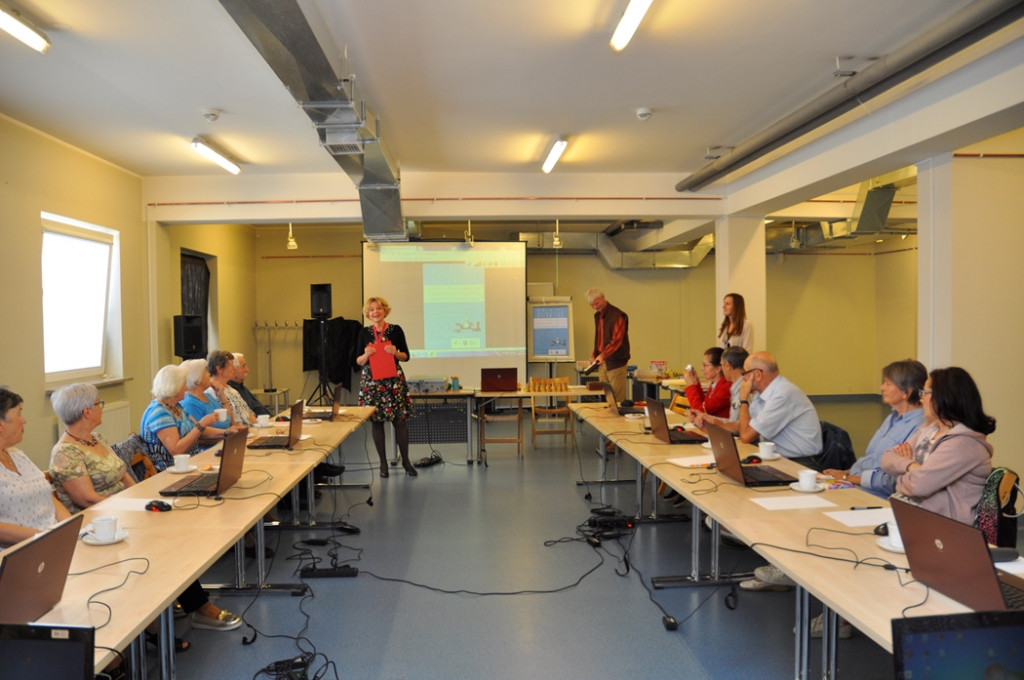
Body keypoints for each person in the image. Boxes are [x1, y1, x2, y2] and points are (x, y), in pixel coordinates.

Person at [881, 366, 995, 525]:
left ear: (943, 397)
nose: (921, 399)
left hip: (942, 527)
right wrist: (911, 465)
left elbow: (918, 486)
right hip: (908, 513)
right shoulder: (929, 429)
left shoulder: (963, 444)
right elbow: (886, 458)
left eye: (925, 393)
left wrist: (900, 473)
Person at [824, 360, 928, 498]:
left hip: (875, 495)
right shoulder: (892, 417)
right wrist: (845, 473)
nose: (882, 387)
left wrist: (846, 478)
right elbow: (871, 460)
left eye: (888, 384)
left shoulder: (918, 427)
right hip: (855, 483)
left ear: (906, 393)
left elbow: (891, 482)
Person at [0, 386, 73, 547]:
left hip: (53, 539)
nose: (24, 420)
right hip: (21, 549)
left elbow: (47, 496)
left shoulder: (18, 455)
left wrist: (70, 527)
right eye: (19, 413)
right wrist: (44, 536)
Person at [48, 383, 136, 514]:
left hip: (123, 506)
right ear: (87, 412)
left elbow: (122, 474)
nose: (101, 408)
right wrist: (128, 507)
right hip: (99, 516)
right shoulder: (65, 452)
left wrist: (138, 496)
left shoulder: (97, 438)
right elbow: (88, 500)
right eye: (99, 403)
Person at [355, 297, 416, 477]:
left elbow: (406, 356)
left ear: (385, 310)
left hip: (393, 382)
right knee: (377, 422)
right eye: (371, 309)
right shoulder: (364, 332)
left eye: (378, 308)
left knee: (399, 421)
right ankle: (383, 463)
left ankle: (406, 461)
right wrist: (365, 355)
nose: (375, 312)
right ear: (368, 314)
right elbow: (358, 361)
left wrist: (395, 352)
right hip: (372, 383)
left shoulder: (395, 330)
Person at [735, 351, 822, 463]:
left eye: (745, 373)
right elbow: (744, 426)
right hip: (779, 458)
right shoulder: (763, 394)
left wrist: (743, 399)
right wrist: (716, 424)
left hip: (801, 463)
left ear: (757, 375)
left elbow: (746, 436)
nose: (743, 379)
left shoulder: (781, 395)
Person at [140, 364, 222, 471]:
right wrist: (202, 424)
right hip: (170, 470)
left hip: (189, 463)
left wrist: (227, 432)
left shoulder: (176, 406)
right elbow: (177, 451)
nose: (186, 388)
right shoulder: (159, 412)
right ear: (174, 387)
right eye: (184, 384)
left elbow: (198, 429)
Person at [587, 287, 630, 404]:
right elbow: (599, 339)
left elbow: (616, 340)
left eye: (596, 303)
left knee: (616, 399)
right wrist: (594, 354)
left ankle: (617, 417)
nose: (595, 307)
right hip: (603, 363)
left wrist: (602, 355)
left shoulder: (617, 315)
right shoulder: (598, 316)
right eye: (592, 305)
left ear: (603, 298)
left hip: (616, 363)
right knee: (605, 397)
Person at [180, 359, 236, 436]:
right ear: (197, 380)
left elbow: (230, 420)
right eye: (205, 371)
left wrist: (222, 395)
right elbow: (199, 434)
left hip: (227, 438)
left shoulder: (208, 396)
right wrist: (225, 433)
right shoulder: (190, 403)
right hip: (214, 442)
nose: (209, 374)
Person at [207, 350, 256, 427]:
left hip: (251, 430)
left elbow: (249, 413)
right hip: (238, 432)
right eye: (231, 365)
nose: (234, 368)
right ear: (219, 369)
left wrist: (259, 427)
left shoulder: (233, 391)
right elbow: (228, 422)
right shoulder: (211, 393)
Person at [682, 347, 731, 419]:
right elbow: (704, 405)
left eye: (705, 365)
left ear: (718, 368)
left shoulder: (726, 387)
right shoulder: (715, 384)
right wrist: (696, 385)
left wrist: (691, 386)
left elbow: (700, 411)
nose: (702, 368)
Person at [227, 353, 271, 418]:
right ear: (233, 369)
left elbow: (258, 408)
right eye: (243, 366)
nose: (247, 370)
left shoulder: (242, 387)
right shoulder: (230, 391)